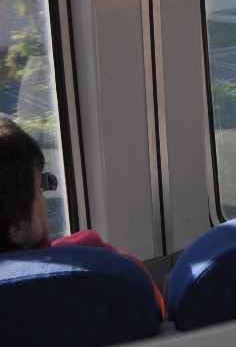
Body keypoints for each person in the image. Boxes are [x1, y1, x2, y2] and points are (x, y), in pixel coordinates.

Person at [0, 117, 165, 316]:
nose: (43, 200)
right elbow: (152, 301)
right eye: (38, 189)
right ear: (17, 228)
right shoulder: (97, 263)